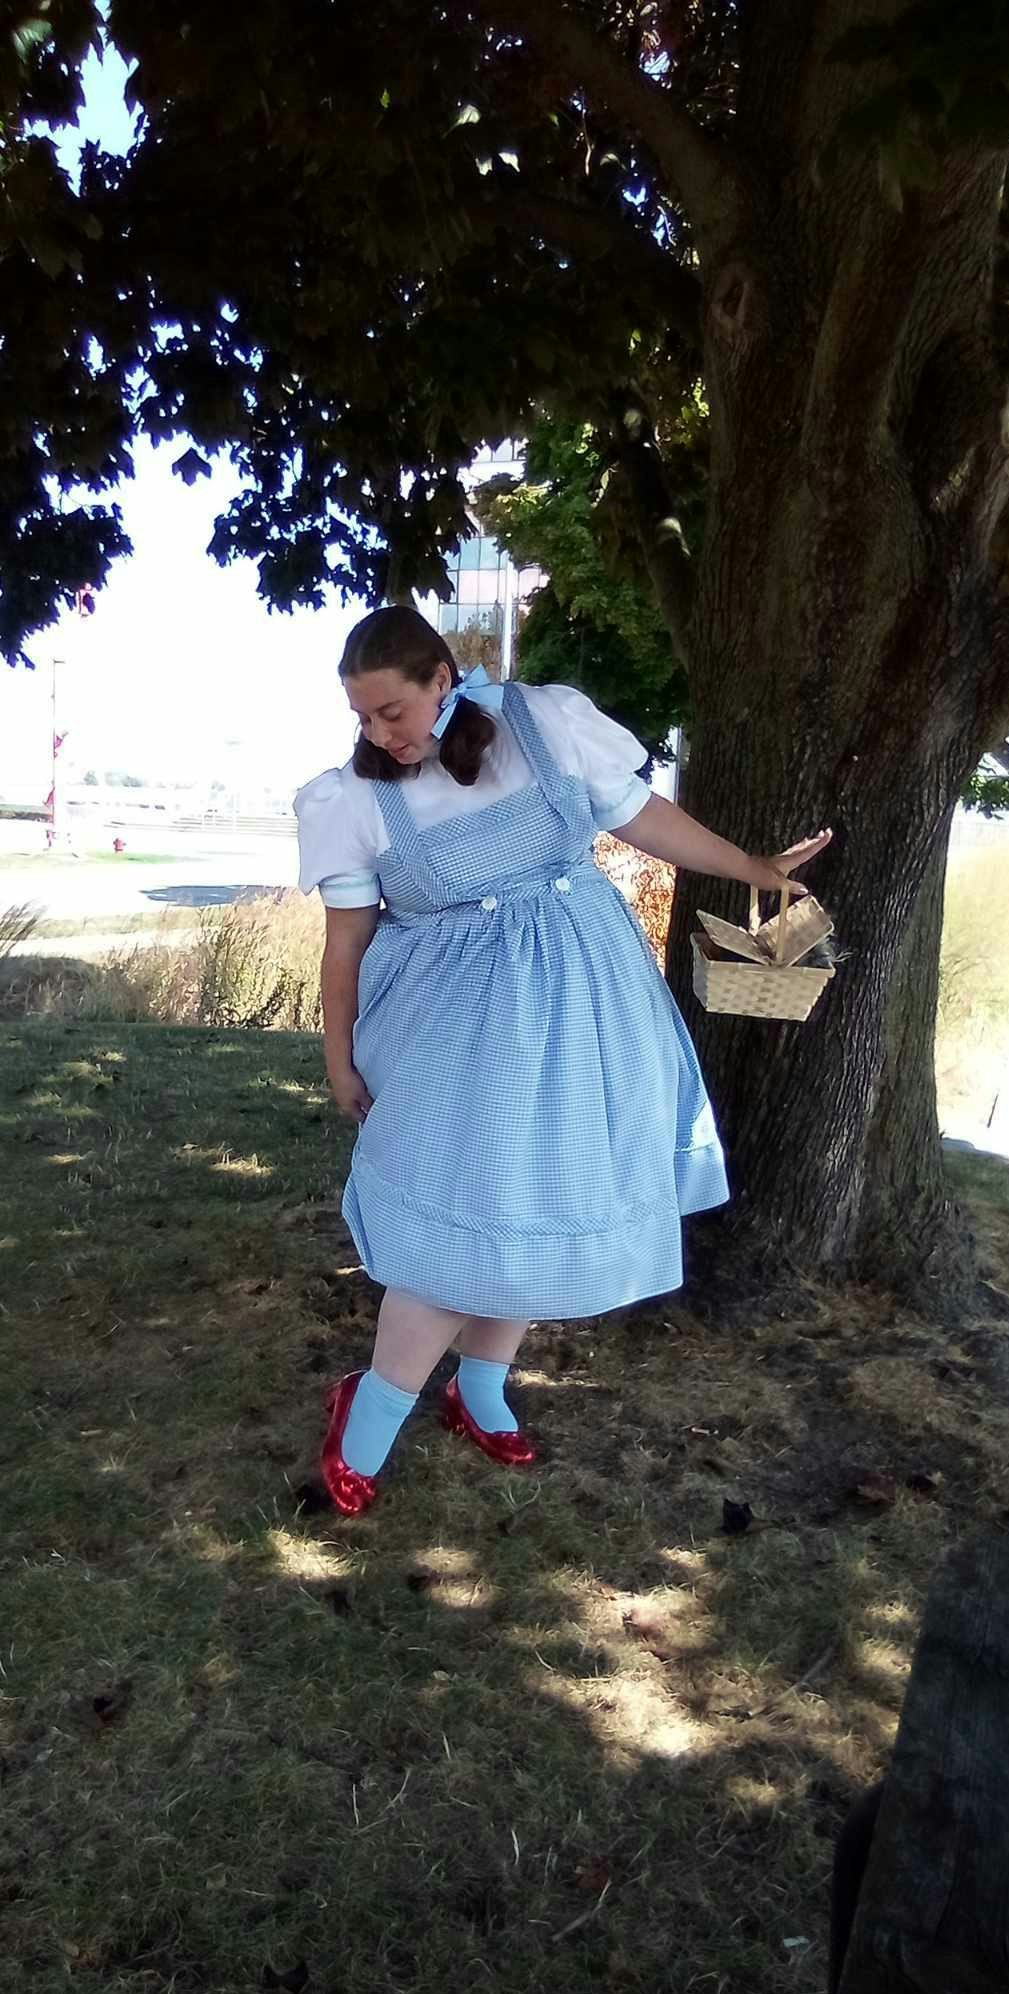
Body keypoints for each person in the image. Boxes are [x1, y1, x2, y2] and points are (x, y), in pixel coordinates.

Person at [293, 605, 830, 1515]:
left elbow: (645, 820)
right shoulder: (350, 800)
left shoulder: (545, 722)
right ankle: (369, 1418)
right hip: (452, 1032)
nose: (377, 734)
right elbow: (345, 943)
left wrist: (754, 869)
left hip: (586, 1005)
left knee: (547, 1193)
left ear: (442, 680)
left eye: (392, 711)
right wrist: (338, 1056)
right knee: (458, 1225)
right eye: (362, 717)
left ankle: (480, 1387)